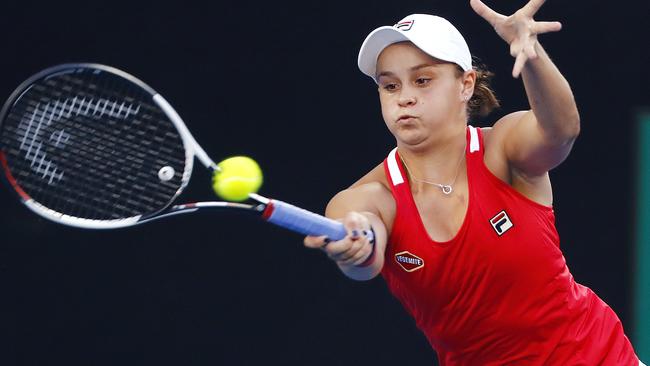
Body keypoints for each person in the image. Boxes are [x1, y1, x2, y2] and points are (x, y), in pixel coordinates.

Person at [304, 0, 644, 364]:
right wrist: (356, 242)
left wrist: (532, 56)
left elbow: (560, 131)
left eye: (422, 80)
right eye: (390, 86)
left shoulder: (503, 149)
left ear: (466, 84)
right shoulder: (366, 198)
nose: (404, 97)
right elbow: (364, 253)